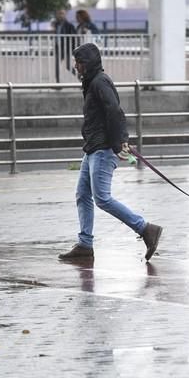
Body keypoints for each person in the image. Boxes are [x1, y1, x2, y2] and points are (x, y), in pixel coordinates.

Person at [59, 42, 163, 261]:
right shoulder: (91, 82)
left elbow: (115, 112)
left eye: (78, 63)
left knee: (102, 198)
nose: (76, 66)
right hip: (92, 148)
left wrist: (119, 144)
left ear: (87, 63)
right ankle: (85, 244)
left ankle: (146, 229)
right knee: (83, 195)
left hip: (103, 149)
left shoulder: (100, 82)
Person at [52, 9, 76, 80]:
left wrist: (72, 48)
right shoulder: (56, 24)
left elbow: (74, 37)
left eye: (62, 13)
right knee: (57, 65)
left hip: (66, 48)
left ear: (65, 15)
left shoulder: (69, 25)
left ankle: (81, 78)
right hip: (58, 47)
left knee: (68, 65)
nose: (60, 15)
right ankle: (58, 83)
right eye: (59, 13)